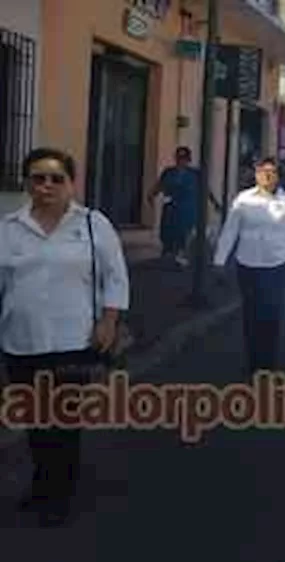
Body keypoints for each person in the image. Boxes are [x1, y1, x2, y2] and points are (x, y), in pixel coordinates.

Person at [0, 148, 130, 527]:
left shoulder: (92, 224)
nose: (47, 185)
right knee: (33, 419)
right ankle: (41, 481)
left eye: (56, 178)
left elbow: (116, 277)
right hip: (20, 340)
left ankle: (59, 493)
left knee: (62, 421)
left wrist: (108, 321)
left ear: (71, 183)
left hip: (73, 340)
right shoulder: (9, 228)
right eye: (38, 178)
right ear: (27, 183)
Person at [213, 157, 285, 375]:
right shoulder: (243, 200)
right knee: (251, 313)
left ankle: (268, 361)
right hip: (248, 263)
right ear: (256, 174)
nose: (267, 175)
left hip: (277, 264)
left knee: (271, 313)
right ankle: (253, 360)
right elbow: (230, 232)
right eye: (262, 171)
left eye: (272, 172)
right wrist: (219, 261)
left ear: (277, 175)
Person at [150, 146, 200, 267]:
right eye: (178, 157)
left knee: (183, 232)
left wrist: (214, 204)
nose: (180, 161)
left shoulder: (194, 174)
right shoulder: (169, 172)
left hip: (187, 208)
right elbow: (160, 185)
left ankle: (181, 255)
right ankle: (168, 253)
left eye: (183, 158)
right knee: (167, 231)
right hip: (171, 207)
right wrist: (152, 195)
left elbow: (206, 190)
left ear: (188, 159)